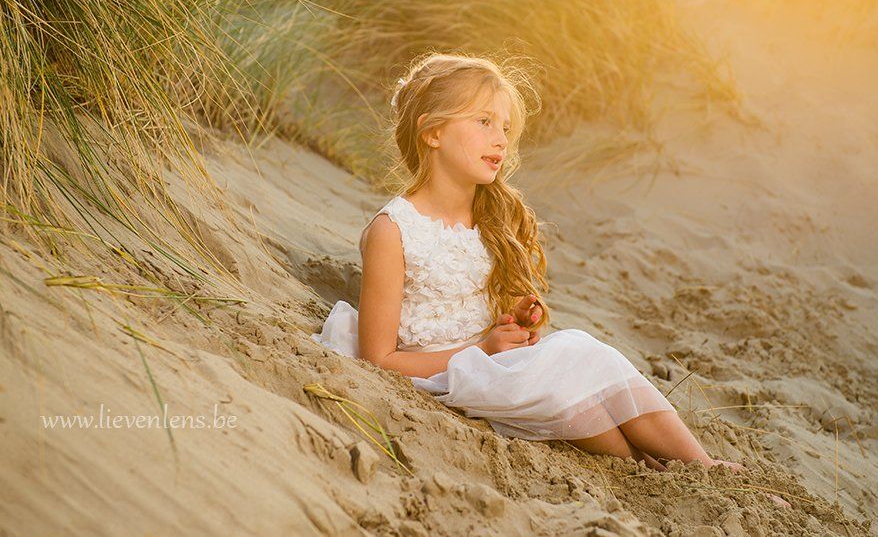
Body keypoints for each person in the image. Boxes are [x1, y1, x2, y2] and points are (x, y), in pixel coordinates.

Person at [312, 52, 790, 508]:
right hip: (444, 375)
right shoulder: (394, 230)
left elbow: (479, 316)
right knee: (570, 372)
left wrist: (513, 322)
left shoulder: (489, 220)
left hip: (495, 364)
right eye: (483, 122)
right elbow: (379, 359)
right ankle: (670, 467)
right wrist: (483, 350)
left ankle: (698, 467)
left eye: (505, 127)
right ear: (433, 132)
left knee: (583, 360)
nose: (500, 140)